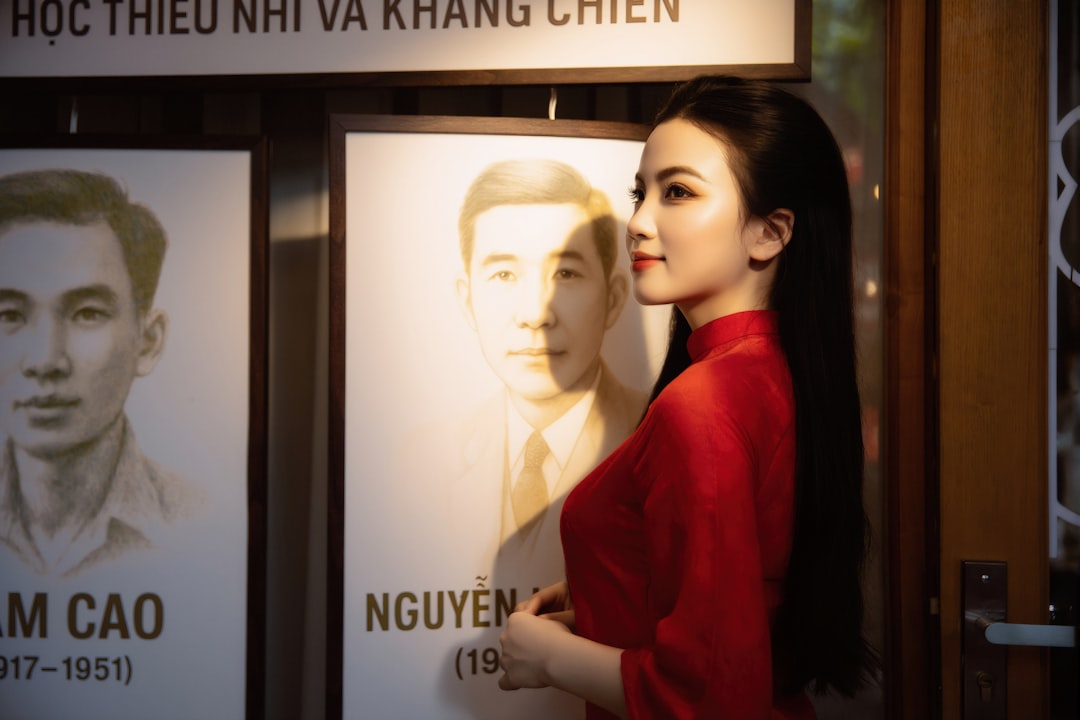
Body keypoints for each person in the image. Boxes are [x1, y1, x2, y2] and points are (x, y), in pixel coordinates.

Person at [497, 76, 877, 718]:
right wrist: (612, 584)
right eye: (640, 193)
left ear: (770, 232)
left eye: (677, 192)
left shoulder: (703, 404)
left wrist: (545, 657)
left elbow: (712, 698)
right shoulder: (777, 374)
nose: (639, 222)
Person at [439, 158, 646, 574]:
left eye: (566, 273)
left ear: (613, 297)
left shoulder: (655, 435)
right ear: (467, 300)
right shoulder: (414, 461)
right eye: (503, 275)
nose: (535, 314)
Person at [0, 168, 199, 578]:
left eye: (87, 313)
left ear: (148, 342)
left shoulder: (199, 522)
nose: (45, 360)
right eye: (9, 314)